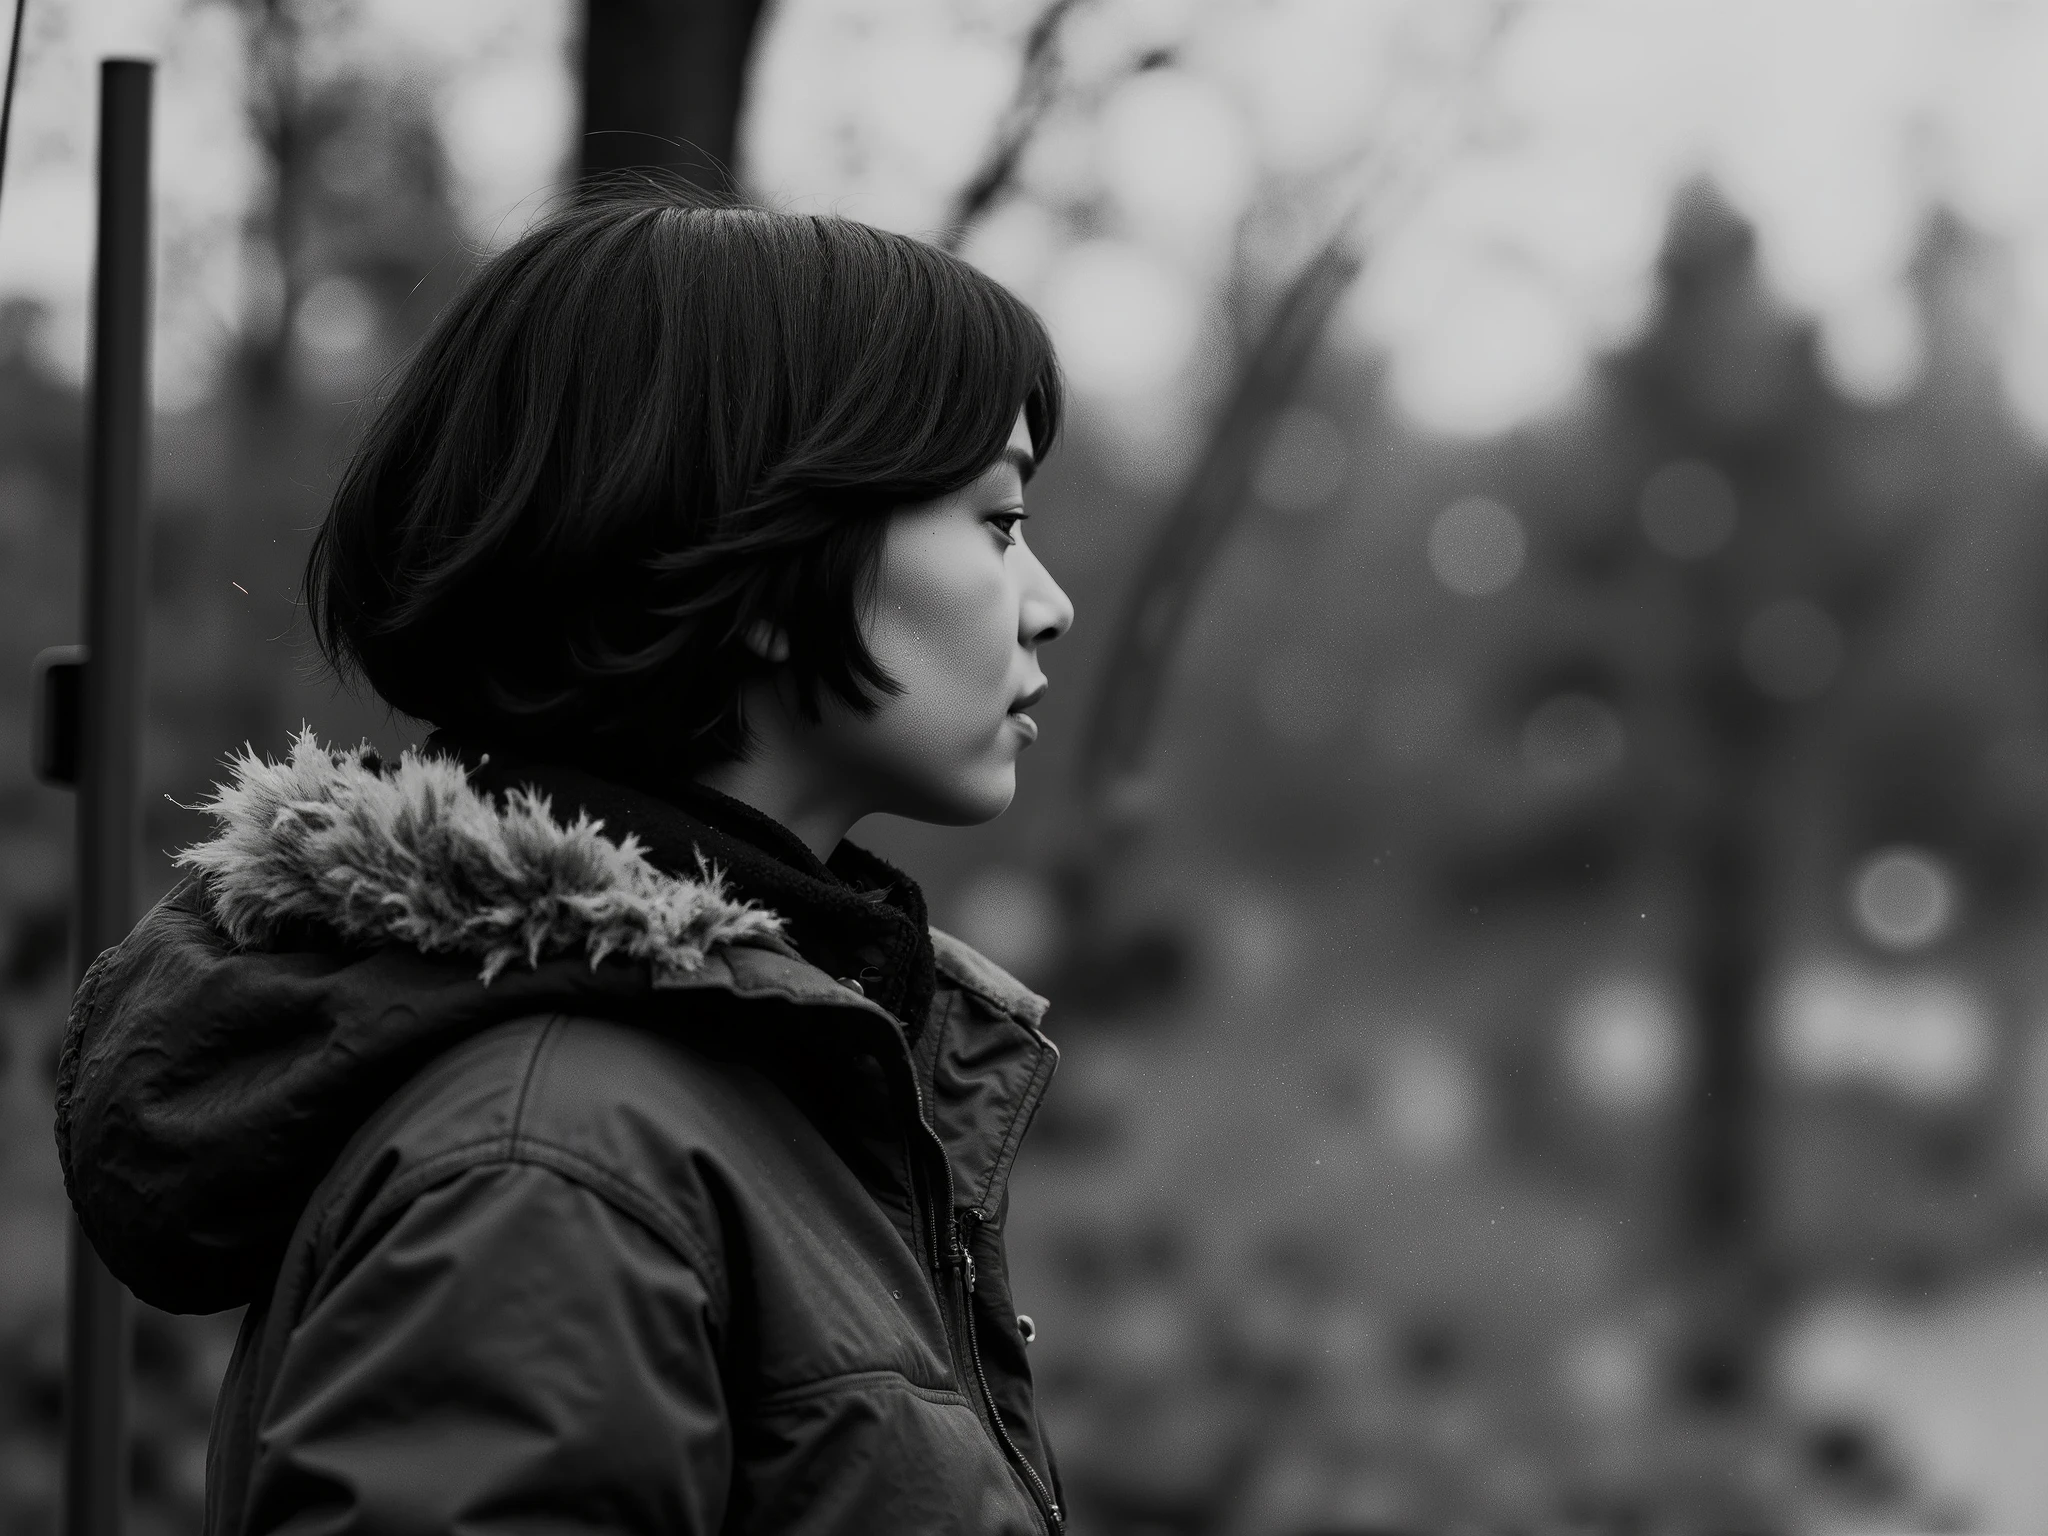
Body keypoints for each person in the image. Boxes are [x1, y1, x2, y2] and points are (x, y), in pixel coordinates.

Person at [56, 191, 1076, 1535]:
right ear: (769, 555)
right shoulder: (551, 1164)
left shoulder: (757, 1082)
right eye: (997, 523)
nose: (1049, 603)